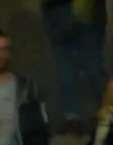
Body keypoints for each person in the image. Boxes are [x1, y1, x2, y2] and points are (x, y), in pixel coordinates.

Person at [41, 0, 108, 135]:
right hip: (59, 16)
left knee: (94, 71)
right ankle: (72, 118)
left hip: (88, 16)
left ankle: (106, 114)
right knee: (67, 74)